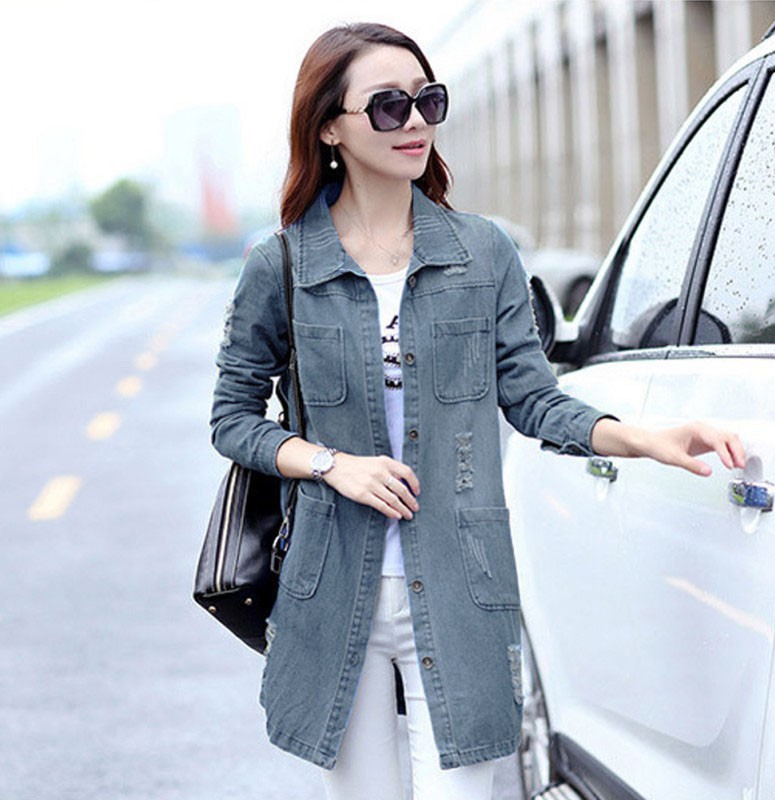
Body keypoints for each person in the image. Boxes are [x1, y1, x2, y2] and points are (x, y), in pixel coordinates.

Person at [209, 22, 745, 800]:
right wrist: (332, 465)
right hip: (330, 592)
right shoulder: (282, 265)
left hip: (463, 588)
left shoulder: (483, 253)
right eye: (389, 106)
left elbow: (531, 397)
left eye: (428, 100)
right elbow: (233, 418)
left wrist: (641, 438)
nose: (416, 121)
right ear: (330, 127)